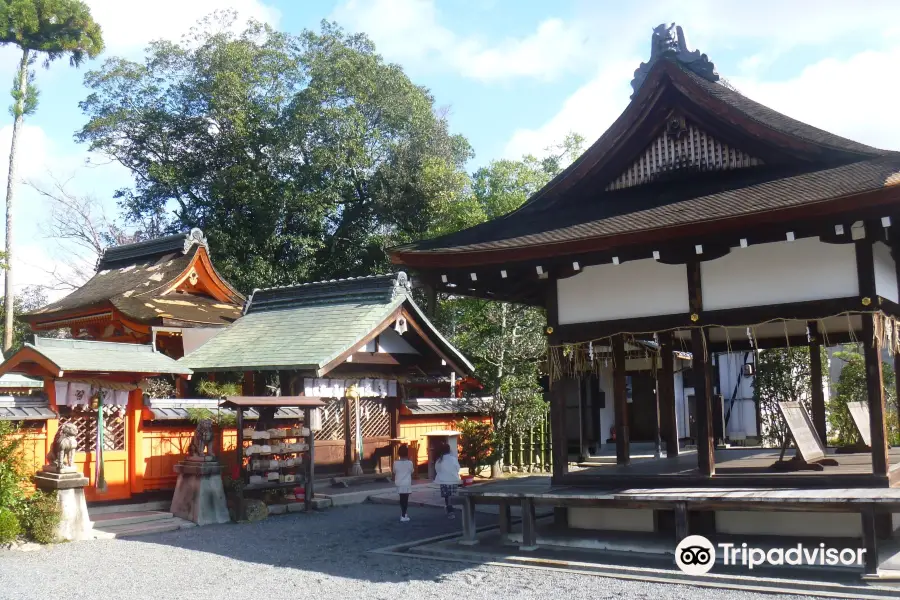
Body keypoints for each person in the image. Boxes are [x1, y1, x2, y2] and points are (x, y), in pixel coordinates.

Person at [433, 441, 461, 519]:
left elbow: (437, 469)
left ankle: (450, 511)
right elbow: (458, 468)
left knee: (447, 496)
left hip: (444, 480)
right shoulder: (453, 459)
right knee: (451, 496)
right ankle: (451, 509)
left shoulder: (439, 460)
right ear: (449, 450)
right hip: (453, 480)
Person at [393, 444, 414, 522]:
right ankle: (404, 515)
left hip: (399, 482)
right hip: (407, 482)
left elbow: (394, 471)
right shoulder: (410, 463)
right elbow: (412, 471)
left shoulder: (395, 463)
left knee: (402, 499)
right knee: (406, 499)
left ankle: (403, 514)